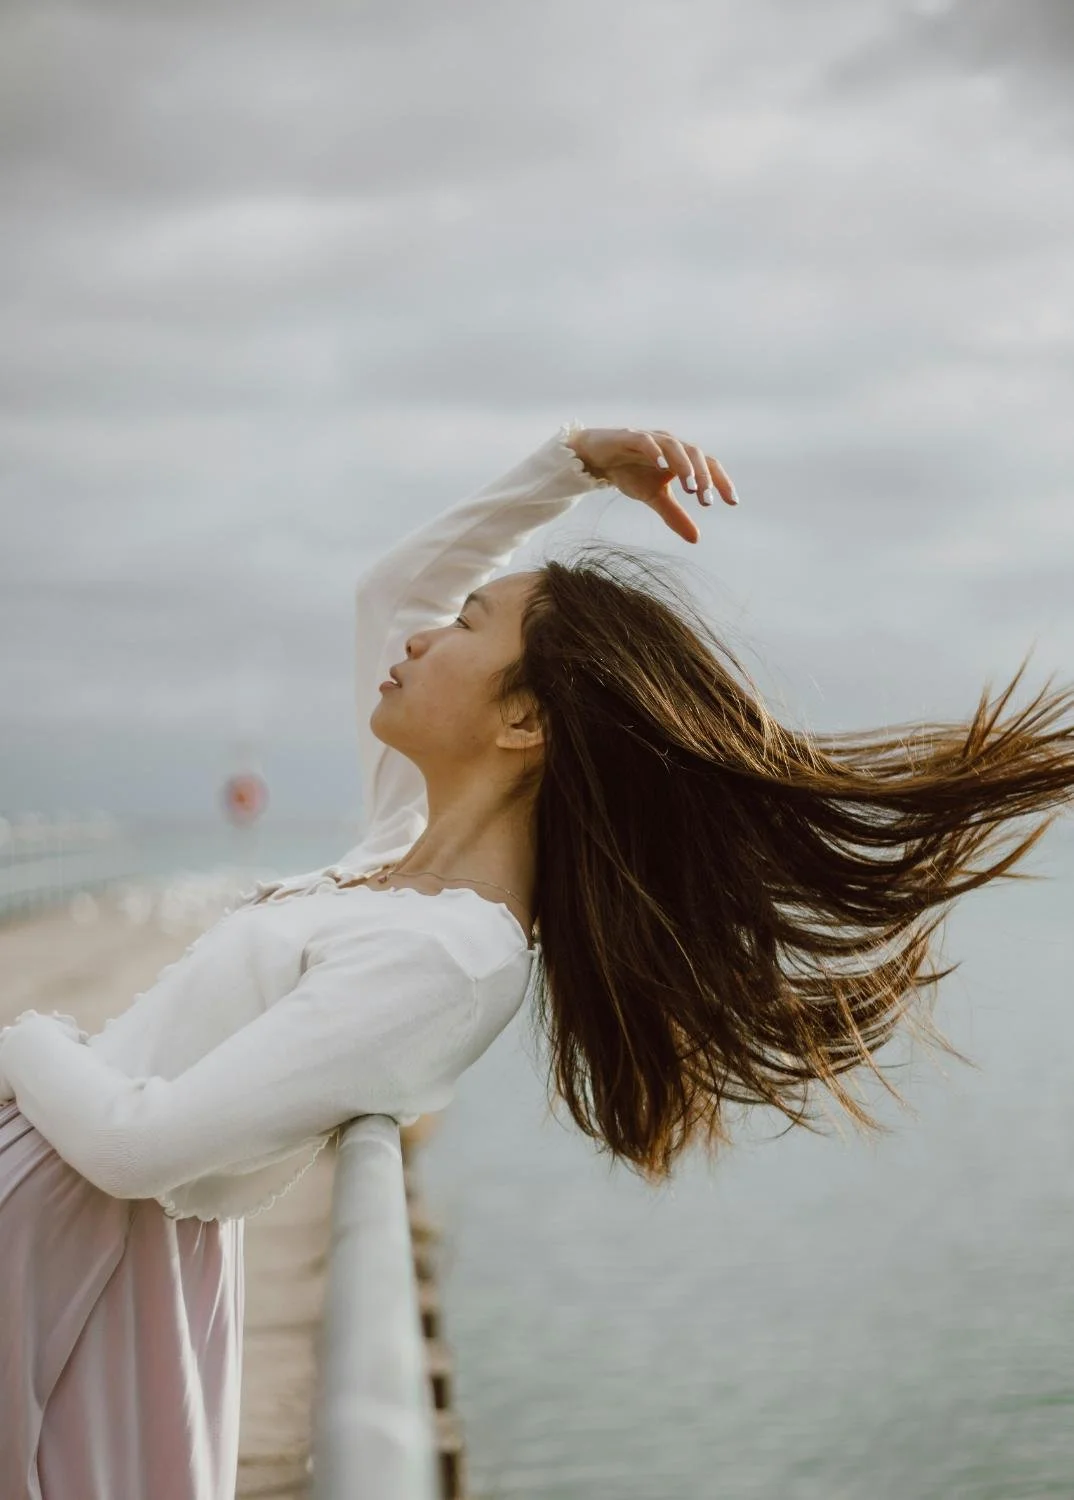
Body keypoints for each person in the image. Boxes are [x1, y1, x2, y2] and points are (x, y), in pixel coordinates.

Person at [1, 420, 1072, 1497]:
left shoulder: (450, 958)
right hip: (61, 1199)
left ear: (524, 721)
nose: (416, 640)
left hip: (65, 1220)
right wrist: (573, 468)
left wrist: (27, 1037)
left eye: (464, 625)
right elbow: (390, 589)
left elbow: (141, 1153)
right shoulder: (397, 853)